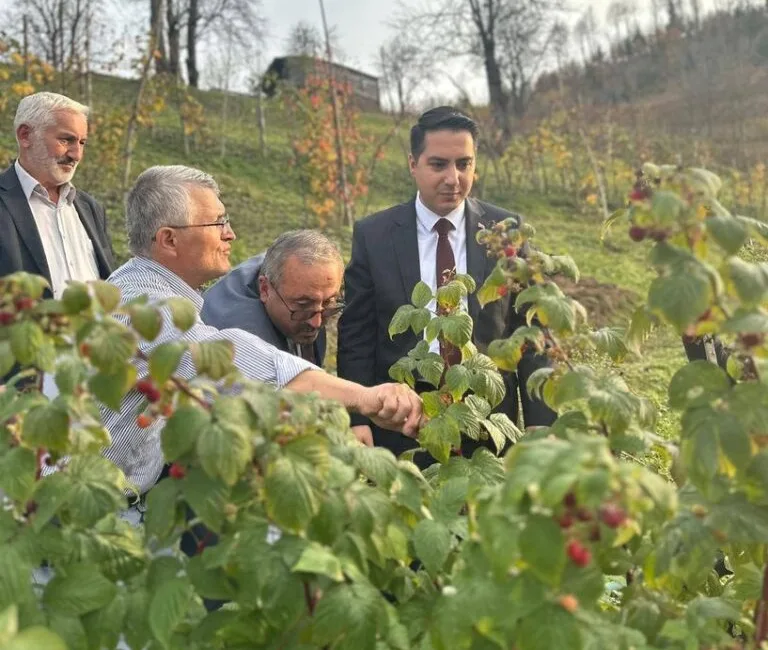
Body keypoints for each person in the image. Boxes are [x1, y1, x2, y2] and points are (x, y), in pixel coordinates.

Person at [102, 165, 421, 499]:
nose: (230, 234)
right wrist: (367, 399)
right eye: (218, 223)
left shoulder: (135, 282)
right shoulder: (153, 311)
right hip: (103, 512)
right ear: (169, 239)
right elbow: (247, 369)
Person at [337, 106, 556, 468]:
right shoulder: (374, 236)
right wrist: (358, 416)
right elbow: (356, 335)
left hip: (489, 421)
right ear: (413, 164)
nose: (453, 178)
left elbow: (531, 329)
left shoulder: (505, 231)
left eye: (464, 164)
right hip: (402, 423)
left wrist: (539, 421)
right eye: (438, 164)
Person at [0, 92, 114, 297]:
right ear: (25, 135)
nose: (76, 154)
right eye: (66, 140)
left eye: (82, 143)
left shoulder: (91, 209)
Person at [201, 229, 342, 369]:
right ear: (265, 289)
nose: (316, 323)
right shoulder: (242, 342)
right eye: (303, 305)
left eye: (328, 302)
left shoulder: (291, 276)